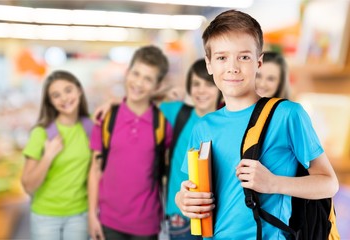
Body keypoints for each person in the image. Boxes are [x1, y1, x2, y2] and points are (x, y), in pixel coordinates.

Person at [175, 9, 339, 239]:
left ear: (259, 62)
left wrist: (273, 183)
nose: (232, 67)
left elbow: (329, 184)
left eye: (243, 57)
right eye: (222, 57)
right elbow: (188, 189)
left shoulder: (287, 114)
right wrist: (182, 199)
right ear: (209, 64)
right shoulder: (203, 126)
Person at [87, 45, 173, 240]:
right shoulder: (106, 118)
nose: (139, 83)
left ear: (157, 86)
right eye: (136, 74)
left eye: (148, 79)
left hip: (147, 223)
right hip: (109, 221)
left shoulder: (162, 124)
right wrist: (92, 215)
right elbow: (95, 170)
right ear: (127, 73)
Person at [21, 70, 92, 240]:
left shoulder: (91, 125)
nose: (64, 98)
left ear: (79, 91)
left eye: (68, 90)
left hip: (79, 214)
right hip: (46, 216)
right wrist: (48, 156)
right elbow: (28, 186)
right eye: (56, 95)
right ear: (51, 102)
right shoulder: (41, 133)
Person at [159, 58, 222, 239]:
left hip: (215, 214)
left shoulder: (228, 121)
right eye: (195, 84)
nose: (201, 90)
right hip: (180, 214)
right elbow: (141, 100)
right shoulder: (178, 112)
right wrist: (167, 90)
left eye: (208, 84)